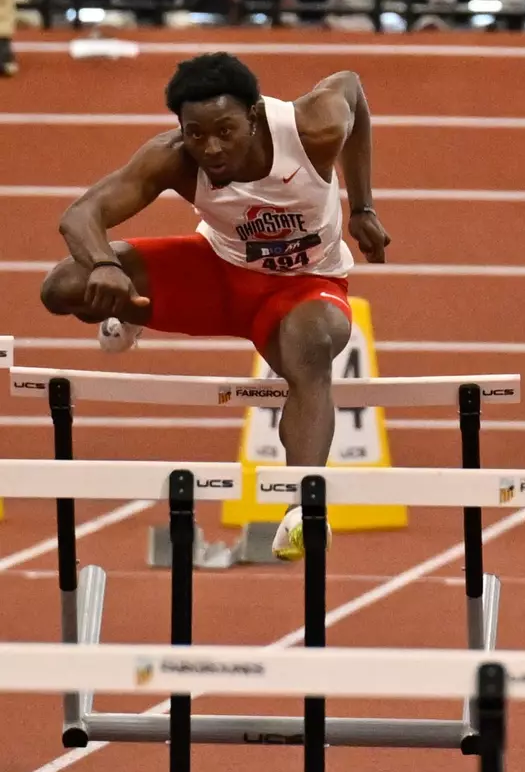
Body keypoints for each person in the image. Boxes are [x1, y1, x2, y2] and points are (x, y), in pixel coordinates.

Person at [39, 52, 391, 559]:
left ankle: (304, 508)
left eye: (225, 130)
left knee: (311, 349)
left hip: (302, 289)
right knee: (64, 286)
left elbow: (353, 86)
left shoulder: (311, 126)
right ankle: (130, 310)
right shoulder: (173, 156)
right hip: (217, 274)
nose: (212, 148)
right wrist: (105, 266)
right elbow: (81, 215)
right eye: (196, 133)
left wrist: (362, 206)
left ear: (254, 114)